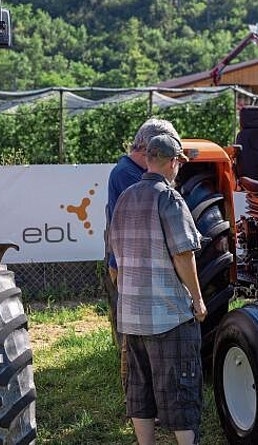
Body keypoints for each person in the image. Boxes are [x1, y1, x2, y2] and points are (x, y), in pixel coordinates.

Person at [109, 134, 207, 445]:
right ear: (174, 161)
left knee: (139, 387)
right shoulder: (169, 198)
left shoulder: (124, 198)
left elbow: (114, 258)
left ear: (149, 158)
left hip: (131, 317)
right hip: (169, 316)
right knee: (180, 387)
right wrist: (198, 300)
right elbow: (183, 254)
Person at [104, 118, 180, 390]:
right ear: (149, 147)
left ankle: (143, 396)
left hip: (130, 261)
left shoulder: (129, 171)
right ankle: (136, 393)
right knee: (133, 335)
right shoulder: (127, 174)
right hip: (128, 264)